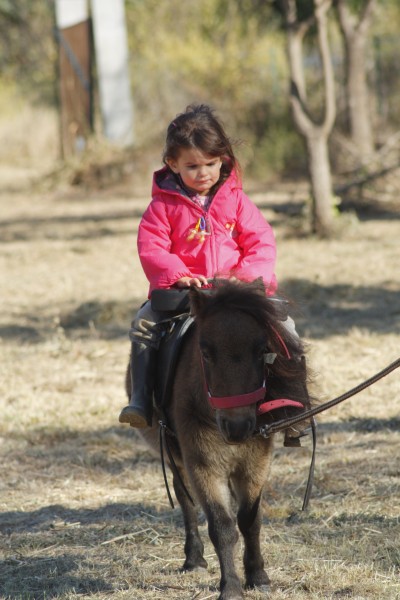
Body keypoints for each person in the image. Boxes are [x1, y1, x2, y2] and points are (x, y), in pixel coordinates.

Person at [119, 103, 280, 428]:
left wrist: (244, 277)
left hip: (237, 293)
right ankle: (142, 399)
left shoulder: (236, 200)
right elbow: (152, 248)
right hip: (183, 295)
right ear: (172, 164)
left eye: (211, 163)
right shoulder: (162, 206)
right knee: (145, 325)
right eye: (192, 166)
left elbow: (261, 241)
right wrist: (179, 276)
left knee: (283, 326)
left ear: (224, 160)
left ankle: (289, 404)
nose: (204, 172)